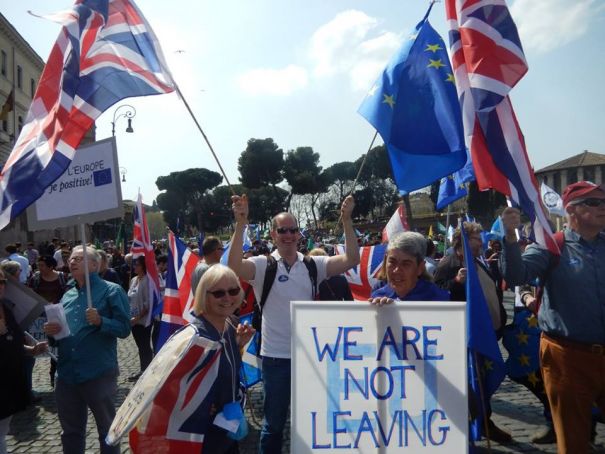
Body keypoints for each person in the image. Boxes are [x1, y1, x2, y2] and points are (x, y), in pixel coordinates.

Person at [228, 194, 360, 454]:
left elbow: (352, 260)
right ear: (273, 235)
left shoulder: (313, 264)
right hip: (275, 359)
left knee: (312, 422)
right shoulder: (262, 264)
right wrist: (240, 223)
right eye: (282, 230)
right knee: (273, 425)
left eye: (293, 230)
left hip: (310, 357)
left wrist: (347, 220)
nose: (288, 235)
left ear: (299, 234)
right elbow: (233, 266)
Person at [501, 181, 605, 454]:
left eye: (603, 201)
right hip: (568, 358)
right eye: (594, 203)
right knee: (573, 441)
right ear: (571, 211)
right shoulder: (552, 246)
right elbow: (515, 276)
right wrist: (510, 238)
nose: (602, 207)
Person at [43, 246, 131, 454]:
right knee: (71, 432)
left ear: (95, 265)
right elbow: (59, 337)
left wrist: (102, 321)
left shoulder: (112, 290)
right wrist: (52, 332)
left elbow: (125, 328)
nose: (72, 262)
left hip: (97, 372)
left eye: (80, 258)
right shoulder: (68, 295)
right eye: (71, 259)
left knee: (107, 430)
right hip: (66, 374)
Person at [433, 222, 510, 443]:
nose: (482, 241)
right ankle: (480, 423)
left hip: (487, 333)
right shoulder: (450, 263)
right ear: (464, 240)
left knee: (483, 382)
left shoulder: (477, 261)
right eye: (477, 238)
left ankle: (485, 421)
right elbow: (438, 293)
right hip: (467, 338)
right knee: (474, 382)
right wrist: (456, 282)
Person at [190, 264, 255, 453]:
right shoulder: (194, 336)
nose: (228, 298)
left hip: (228, 425)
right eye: (218, 293)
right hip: (204, 434)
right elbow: (171, 388)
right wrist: (200, 404)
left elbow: (224, 366)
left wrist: (238, 345)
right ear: (204, 295)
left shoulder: (230, 323)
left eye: (233, 290)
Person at [0, 269, 48, 454]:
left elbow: (14, 342)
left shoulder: (7, 307)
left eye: (2, 282)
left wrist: (32, 350)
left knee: (2, 431)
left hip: (10, 379)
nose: (0, 286)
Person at [370, 232, 449, 304]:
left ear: (420, 268)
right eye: (392, 262)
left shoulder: (439, 300)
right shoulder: (377, 296)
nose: (396, 270)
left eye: (406, 264)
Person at [28, 256, 69, 388]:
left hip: (58, 316)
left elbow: (68, 294)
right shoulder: (36, 278)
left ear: (51, 266)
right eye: (38, 265)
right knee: (43, 344)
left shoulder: (63, 277)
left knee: (57, 345)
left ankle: (55, 374)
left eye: (42, 265)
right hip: (40, 318)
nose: (39, 268)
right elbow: (31, 293)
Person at [127, 256, 152, 382]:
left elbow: (148, 303)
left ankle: (146, 370)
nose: (134, 267)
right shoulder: (133, 280)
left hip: (143, 320)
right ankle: (144, 368)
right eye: (134, 264)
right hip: (133, 319)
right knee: (140, 345)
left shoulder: (147, 281)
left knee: (144, 345)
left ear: (143, 266)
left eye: (137, 264)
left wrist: (138, 317)